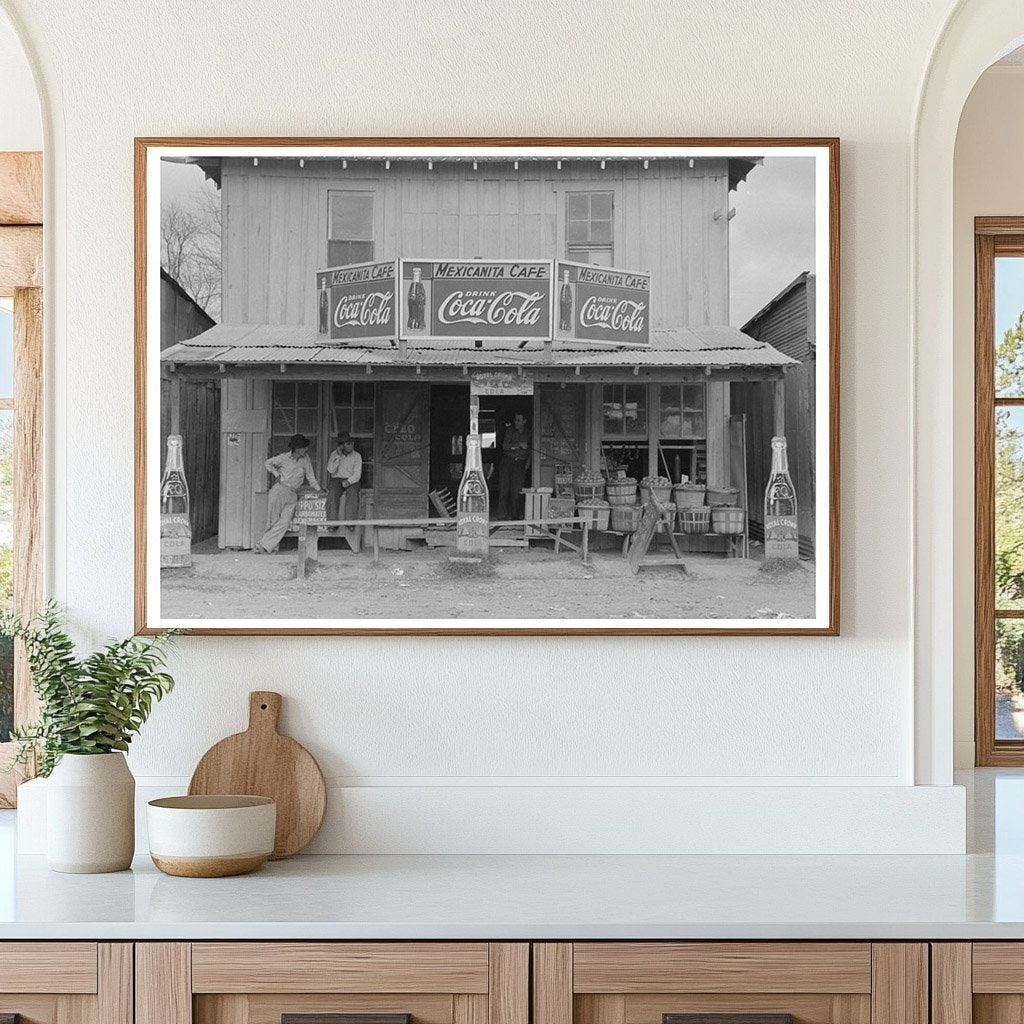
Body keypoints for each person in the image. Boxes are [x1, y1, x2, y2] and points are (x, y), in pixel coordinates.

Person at [254, 433, 319, 553]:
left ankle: (263, 545)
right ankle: (268, 547)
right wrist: (276, 474)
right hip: (280, 490)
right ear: (297, 448)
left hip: (293, 494)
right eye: (304, 447)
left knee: (284, 522)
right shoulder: (283, 458)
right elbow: (267, 463)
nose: (306, 449)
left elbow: (311, 476)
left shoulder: (306, 459)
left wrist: (318, 489)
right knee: (273, 520)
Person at [326, 433, 363, 551]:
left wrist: (349, 481)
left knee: (353, 493)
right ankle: (332, 524)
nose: (351, 445)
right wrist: (338, 456)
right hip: (337, 479)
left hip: (351, 480)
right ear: (341, 445)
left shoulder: (357, 456)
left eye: (351, 443)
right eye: (347, 443)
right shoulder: (334, 454)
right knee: (332, 493)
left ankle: (350, 522)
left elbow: (357, 474)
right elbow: (330, 470)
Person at [496, 412, 531, 520]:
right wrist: (519, 445)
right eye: (515, 420)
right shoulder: (510, 430)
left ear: (524, 421)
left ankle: (515, 516)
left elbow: (530, 451)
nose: (516, 422)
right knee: (503, 489)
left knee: (516, 491)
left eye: (519, 420)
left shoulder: (528, 433)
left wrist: (527, 464)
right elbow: (505, 446)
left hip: (520, 464)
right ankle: (502, 515)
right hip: (507, 461)